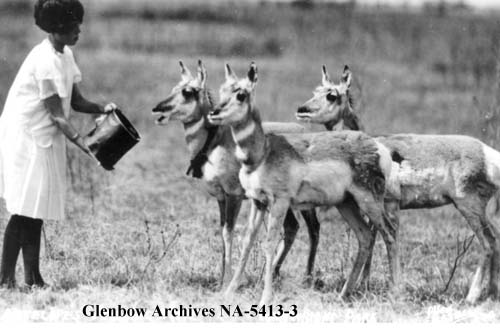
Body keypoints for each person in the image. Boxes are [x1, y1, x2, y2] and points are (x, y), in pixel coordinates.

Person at [0, 0, 116, 288]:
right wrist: (86, 144)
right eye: (72, 26)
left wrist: (103, 109)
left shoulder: (65, 54)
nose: (79, 30)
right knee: (24, 208)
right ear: (56, 29)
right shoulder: (44, 61)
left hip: (45, 138)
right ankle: (4, 278)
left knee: (36, 209)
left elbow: (75, 102)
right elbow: (58, 118)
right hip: (25, 136)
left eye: (78, 23)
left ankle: (32, 277)